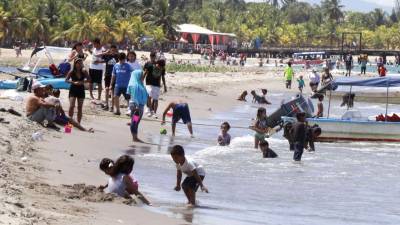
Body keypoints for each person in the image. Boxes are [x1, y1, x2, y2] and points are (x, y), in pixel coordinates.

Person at [65, 58, 91, 124]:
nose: (79, 64)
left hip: (81, 90)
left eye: (81, 63)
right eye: (78, 63)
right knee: (71, 106)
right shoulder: (72, 71)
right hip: (73, 89)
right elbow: (66, 80)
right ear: (75, 64)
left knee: (80, 107)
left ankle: (78, 124)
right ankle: (69, 123)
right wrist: (74, 82)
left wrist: (82, 81)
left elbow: (89, 79)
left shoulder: (84, 71)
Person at [127, 70, 148, 142]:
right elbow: (134, 95)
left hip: (138, 105)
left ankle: (135, 137)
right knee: (135, 122)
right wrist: (137, 107)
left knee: (135, 121)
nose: (143, 76)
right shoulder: (136, 85)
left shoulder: (137, 83)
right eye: (141, 75)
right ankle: (134, 137)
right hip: (137, 106)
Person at [144, 53, 167, 118]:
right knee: (149, 96)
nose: (160, 68)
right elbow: (145, 73)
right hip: (149, 84)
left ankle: (153, 113)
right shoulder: (150, 65)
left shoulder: (162, 68)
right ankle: (149, 109)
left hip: (156, 85)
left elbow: (162, 77)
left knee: (155, 99)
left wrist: (164, 86)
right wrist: (141, 81)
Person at [102, 45, 119, 111]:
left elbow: (124, 58)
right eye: (112, 50)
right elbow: (99, 55)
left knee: (112, 91)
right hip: (107, 75)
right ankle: (106, 105)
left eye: (114, 50)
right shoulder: (107, 56)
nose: (113, 51)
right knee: (106, 89)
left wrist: (117, 53)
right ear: (110, 50)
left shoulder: (117, 57)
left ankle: (112, 106)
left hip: (114, 76)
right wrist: (106, 52)